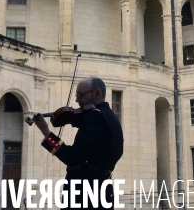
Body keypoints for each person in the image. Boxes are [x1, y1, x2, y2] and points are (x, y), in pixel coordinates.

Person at [29, 76, 123, 209]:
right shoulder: (112, 119)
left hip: (83, 193)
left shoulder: (94, 116)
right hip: (103, 189)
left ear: (96, 93)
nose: (77, 99)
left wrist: (46, 133)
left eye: (81, 95)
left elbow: (73, 157)